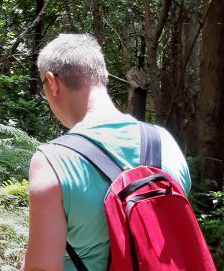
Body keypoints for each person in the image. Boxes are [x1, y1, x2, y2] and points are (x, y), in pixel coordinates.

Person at [22, 34, 192, 271]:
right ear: (101, 76)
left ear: (52, 82)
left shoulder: (52, 161)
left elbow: (42, 268)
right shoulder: (165, 143)